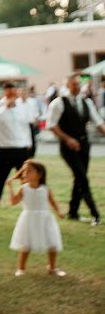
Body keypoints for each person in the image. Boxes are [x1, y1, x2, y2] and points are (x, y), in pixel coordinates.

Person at [47, 72, 105, 226]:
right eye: (74, 84)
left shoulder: (86, 102)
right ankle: (95, 214)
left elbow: (98, 122)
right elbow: (51, 125)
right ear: (67, 85)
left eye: (78, 84)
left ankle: (73, 212)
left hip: (84, 145)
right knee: (82, 178)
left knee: (80, 177)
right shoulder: (58, 103)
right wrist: (67, 139)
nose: (77, 87)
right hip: (67, 147)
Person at [7, 160, 65, 277]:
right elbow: (13, 202)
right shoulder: (23, 189)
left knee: (52, 243)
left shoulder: (45, 189)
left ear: (39, 174)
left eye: (29, 171)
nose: (25, 174)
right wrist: (10, 188)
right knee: (26, 245)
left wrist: (58, 212)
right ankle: (21, 268)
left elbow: (52, 202)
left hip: (45, 219)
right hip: (28, 219)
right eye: (24, 171)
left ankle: (52, 268)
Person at [0, 82, 34, 220]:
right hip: (4, 149)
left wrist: (28, 143)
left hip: (21, 149)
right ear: (4, 93)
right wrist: (5, 108)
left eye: (14, 92)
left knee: (26, 180)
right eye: (9, 93)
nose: (12, 95)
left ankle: (29, 209)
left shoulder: (23, 107)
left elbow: (26, 126)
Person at [22, 86, 46, 156]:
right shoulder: (17, 102)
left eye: (25, 92)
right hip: (22, 124)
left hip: (31, 123)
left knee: (32, 139)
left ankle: (32, 154)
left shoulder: (32, 101)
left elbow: (36, 112)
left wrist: (36, 119)